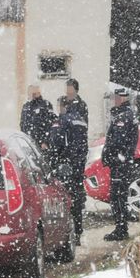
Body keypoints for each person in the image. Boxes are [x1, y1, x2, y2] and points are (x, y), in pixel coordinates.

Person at [49, 91, 89, 245]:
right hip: (78, 165)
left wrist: (54, 161)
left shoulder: (62, 121)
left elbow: (56, 143)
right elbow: (83, 144)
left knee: (65, 199)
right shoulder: (80, 120)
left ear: (62, 107)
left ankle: (67, 235)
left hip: (65, 166)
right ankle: (78, 231)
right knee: (77, 198)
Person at [102, 88, 139, 242]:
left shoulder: (123, 116)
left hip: (120, 163)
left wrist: (110, 156)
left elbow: (117, 141)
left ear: (121, 98)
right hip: (122, 161)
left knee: (117, 196)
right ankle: (121, 227)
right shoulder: (125, 114)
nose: (113, 100)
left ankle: (121, 229)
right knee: (119, 196)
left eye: (115, 98)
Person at [20, 85, 56, 151]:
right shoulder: (26, 106)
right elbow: (22, 124)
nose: (33, 95)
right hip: (28, 143)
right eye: (31, 93)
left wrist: (45, 141)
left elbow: (50, 124)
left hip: (41, 144)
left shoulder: (45, 105)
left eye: (35, 93)